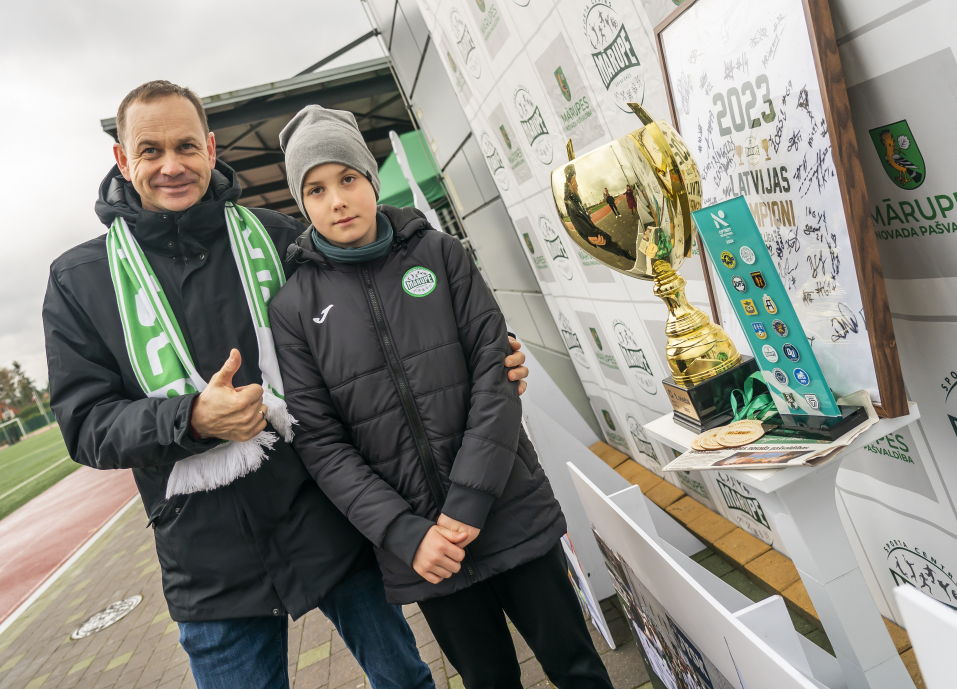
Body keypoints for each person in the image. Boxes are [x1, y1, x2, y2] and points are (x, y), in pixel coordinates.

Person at [42, 82, 530, 689]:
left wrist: (486, 362)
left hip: (327, 524)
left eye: (187, 146)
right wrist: (189, 418)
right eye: (151, 150)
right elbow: (85, 426)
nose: (172, 166)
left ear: (213, 149)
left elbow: (379, 333)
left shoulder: (278, 238)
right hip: (208, 563)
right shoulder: (79, 280)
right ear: (122, 160)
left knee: (406, 681)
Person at [269, 106, 614, 689]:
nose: (337, 201)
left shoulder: (440, 255)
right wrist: (409, 535)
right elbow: (323, 444)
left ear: (370, 180)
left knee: (576, 667)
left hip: (506, 511)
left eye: (348, 179)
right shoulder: (294, 308)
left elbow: (495, 373)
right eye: (316, 189)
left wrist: (466, 506)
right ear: (303, 204)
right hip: (424, 551)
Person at [563, 165, 635, 264]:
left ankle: (624, 253)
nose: (577, 185)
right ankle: (626, 255)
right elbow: (581, 226)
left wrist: (587, 215)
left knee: (609, 244)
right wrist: (604, 236)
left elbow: (582, 223)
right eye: (575, 180)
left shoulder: (574, 201)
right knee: (607, 242)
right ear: (570, 182)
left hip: (595, 232)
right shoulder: (571, 203)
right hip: (598, 236)